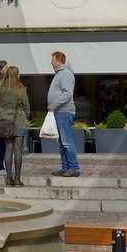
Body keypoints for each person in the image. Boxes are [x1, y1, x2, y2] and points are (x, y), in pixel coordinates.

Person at [46, 50, 81, 178]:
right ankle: (65, 167)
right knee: (61, 142)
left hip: (64, 111)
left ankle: (73, 167)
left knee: (67, 141)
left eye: (53, 60)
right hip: (59, 112)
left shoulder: (65, 74)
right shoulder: (59, 74)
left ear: (59, 61)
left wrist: (54, 105)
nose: (51, 62)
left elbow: (67, 93)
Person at [0, 66, 31, 187]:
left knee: (8, 150)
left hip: (5, 123)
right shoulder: (21, 89)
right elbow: (27, 106)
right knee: (18, 150)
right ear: (17, 75)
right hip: (19, 122)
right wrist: (26, 117)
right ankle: (18, 179)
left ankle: (9, 178)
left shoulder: (1, 89)